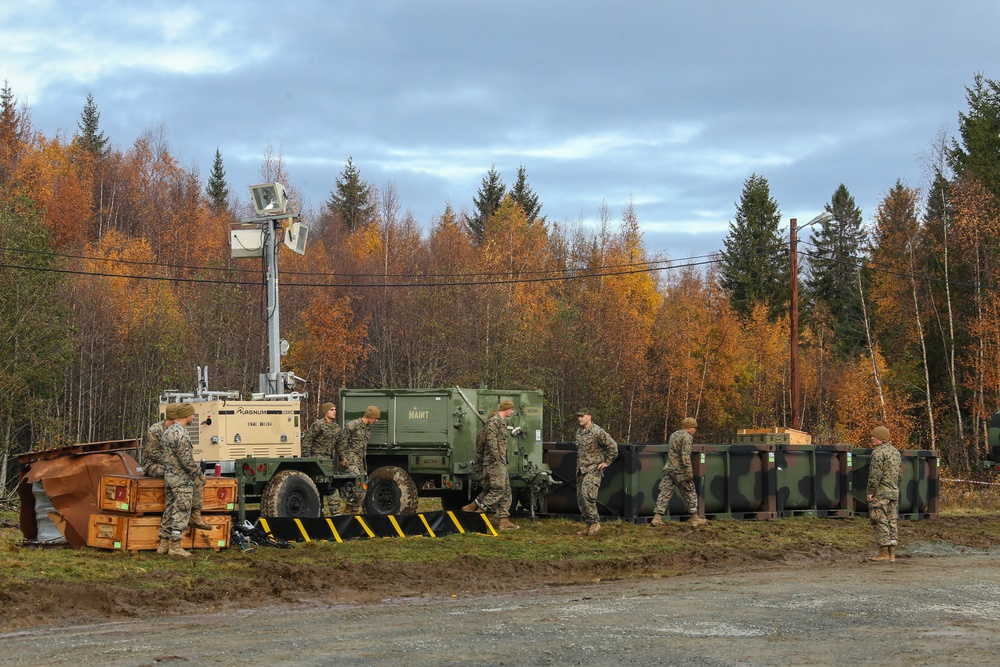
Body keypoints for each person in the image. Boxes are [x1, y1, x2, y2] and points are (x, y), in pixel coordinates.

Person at [145, 404, 210, 531]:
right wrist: (173, 463)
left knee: (193, 477)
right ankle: (179, 519)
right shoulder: (155, 430)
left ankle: (195, 514)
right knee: (176, 474)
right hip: (154, 465)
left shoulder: (178, 430)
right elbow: (152, 453)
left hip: (173, 465)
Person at [462, 400, 520, 530]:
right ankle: (479, 511)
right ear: (507, 409)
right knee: (498, 489)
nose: (512, 412)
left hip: (499, 462)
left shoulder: (500, 423)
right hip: (495, 462)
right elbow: (491, 444)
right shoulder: (494, 422)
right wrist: (495, 460)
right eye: (511, 409)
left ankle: (503, 519)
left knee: (505, 490)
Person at [157, 402, 203, 557]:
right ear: (186, 415)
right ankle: (175, 546)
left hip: (169, 478)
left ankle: (163, 545)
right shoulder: (181, 433)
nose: (193, 417)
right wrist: (197, 472)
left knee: (169, 510)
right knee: (181, 511)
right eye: (192, 414)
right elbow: (186, 460)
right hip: (182, 480)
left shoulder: (168, 431)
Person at [651, 417, 707, 527]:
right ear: (689, 427)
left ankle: (656, 518)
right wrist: (689, 471)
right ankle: (694, 518)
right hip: (681, 471)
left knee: (664, 493)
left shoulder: (674, 435)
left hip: (669, 468)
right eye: (694, 428)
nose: (695, 430)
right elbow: (685, 455)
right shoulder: (687, 437)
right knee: (690, 492)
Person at [573, 408, 618, 536]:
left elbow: (613, 446)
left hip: (593, 469)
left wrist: (607, 462)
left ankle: (595, 523)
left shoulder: (598, 432)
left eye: (582, 416)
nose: (579, 418)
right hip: (581, 470)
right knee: (581, 499)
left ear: (589, 417)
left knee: (588, 496)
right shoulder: (579, 432)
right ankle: (589, 524)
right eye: (578, 416)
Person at [302, 402, 344, 515]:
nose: (334, 411)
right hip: (317, 461)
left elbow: (339, 445)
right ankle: (322, 513)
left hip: (328, 462)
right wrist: (306, 459)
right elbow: (307, 441)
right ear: (326, 412)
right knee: (322, 487)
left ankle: (334, 515)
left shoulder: (337, 428)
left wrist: (343, 458)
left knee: (328, 486)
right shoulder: (318, 425)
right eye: (331, 409)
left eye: (335, 409)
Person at [867, 425, 902, 562]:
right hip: (893, 492)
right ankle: (892, 553)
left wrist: (871, 492)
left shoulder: (878, 453)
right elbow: (900, 475)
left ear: (880, 438)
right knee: (892, 520)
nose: (871, 438)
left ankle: (883, 552)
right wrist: (895, 488)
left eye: (873, 436)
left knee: (879, 520)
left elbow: (875, 475)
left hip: (881, 493)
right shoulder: (895, 452)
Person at [340, 405, 379, 514]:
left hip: (361, 462)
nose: (376, 421)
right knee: (358, 486)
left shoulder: (368, 430)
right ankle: (350, 509)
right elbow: (342, 442)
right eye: (375, 418)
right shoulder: (352, 426)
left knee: (363, 488)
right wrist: (343, 458)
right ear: (369, 416)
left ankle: (354, 511)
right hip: (351, 461)